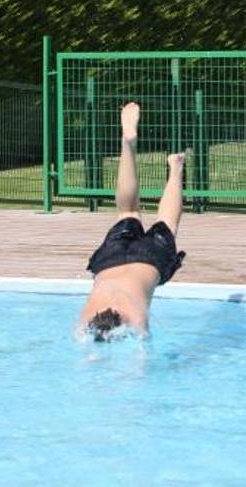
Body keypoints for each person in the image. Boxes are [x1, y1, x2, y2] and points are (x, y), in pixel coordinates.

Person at [78, 102, 187, 342]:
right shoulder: (86, 317)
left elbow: (142, 353)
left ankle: (176, 167)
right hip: (109, 260)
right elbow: (80, 338)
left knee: (166, 221)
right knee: (127, 212)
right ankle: (127, 145)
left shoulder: (135, 318)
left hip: (150, 259)